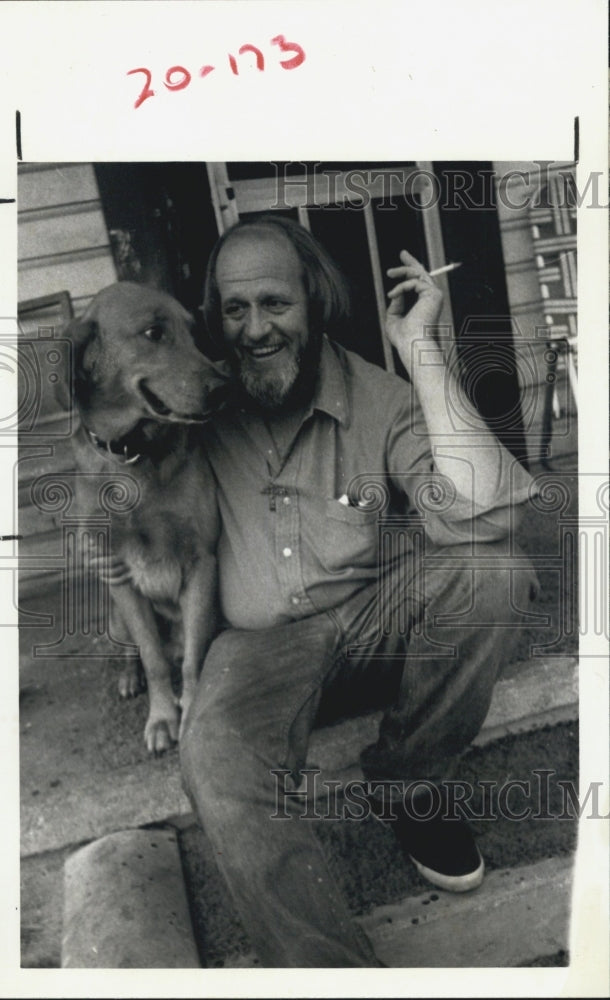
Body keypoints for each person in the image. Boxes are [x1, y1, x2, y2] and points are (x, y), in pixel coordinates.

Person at [178, 216, 538, 968]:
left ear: (314, 301)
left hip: (372, 623)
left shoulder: (379, 398)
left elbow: (494, 513)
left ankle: (408, 780)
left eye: (274, 304)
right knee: (212, 754)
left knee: (496, 570)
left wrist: (422, 353)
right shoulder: (200, 404)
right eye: (234, 310)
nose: (253, 330)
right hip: (258, 650)